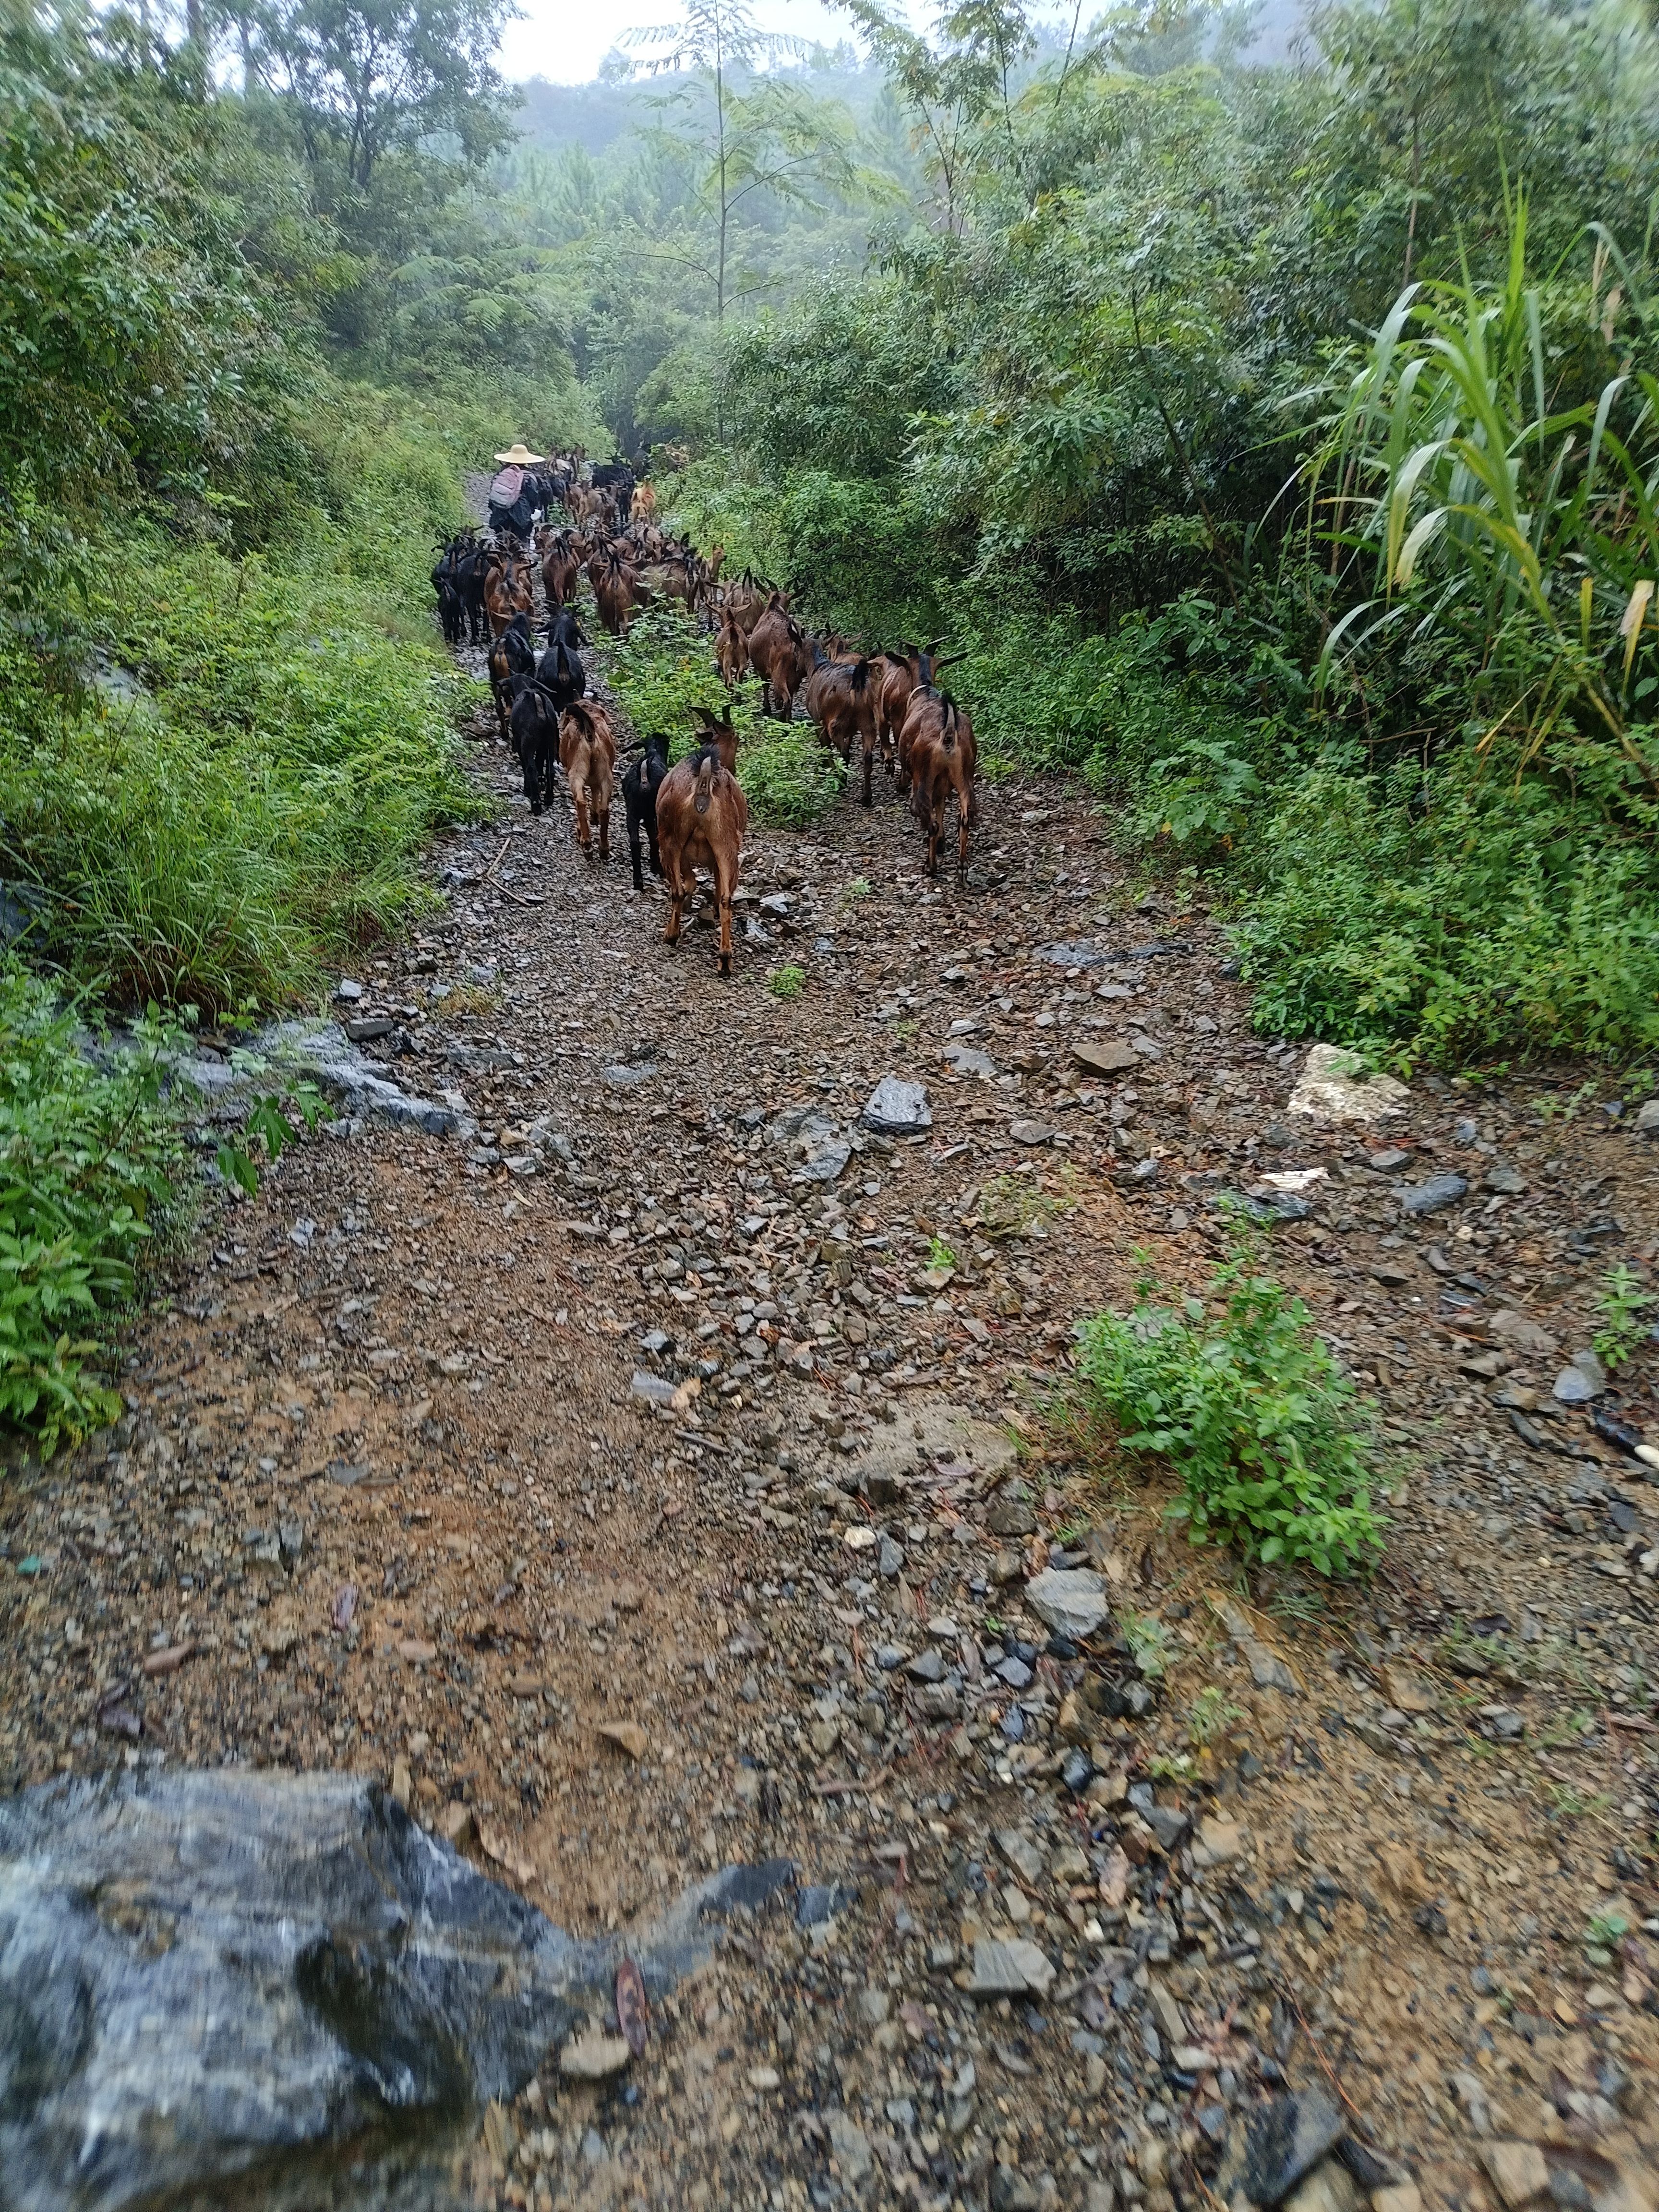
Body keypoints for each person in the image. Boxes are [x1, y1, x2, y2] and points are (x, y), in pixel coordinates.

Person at [488, 442, 544, 538]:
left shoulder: (501, 473)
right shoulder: (529, 477)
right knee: (520, 545)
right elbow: (534, 499)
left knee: (500, 543)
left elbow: (493, 495)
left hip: (499, 516)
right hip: (521, 518)